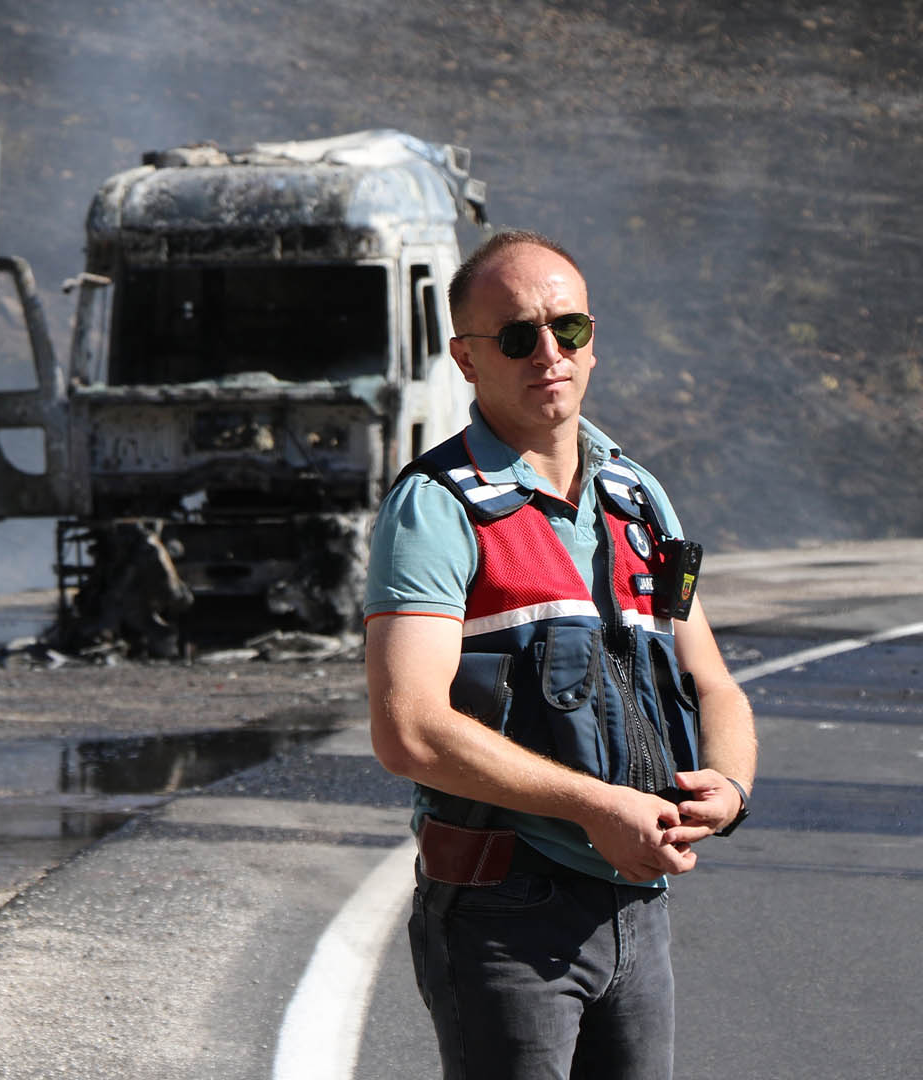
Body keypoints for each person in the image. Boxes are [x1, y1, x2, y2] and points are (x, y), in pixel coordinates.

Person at [364, 229, 757, 1079]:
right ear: (467, 361)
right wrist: (594, 807)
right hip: (506, 913)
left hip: (638, 910)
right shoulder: (433, 508)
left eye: (567, 328)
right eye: (516, 336)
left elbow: (711, 680)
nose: (549, 352)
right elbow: (410, 732)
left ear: (592, 337)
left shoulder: (642, 497)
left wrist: (728, 786)